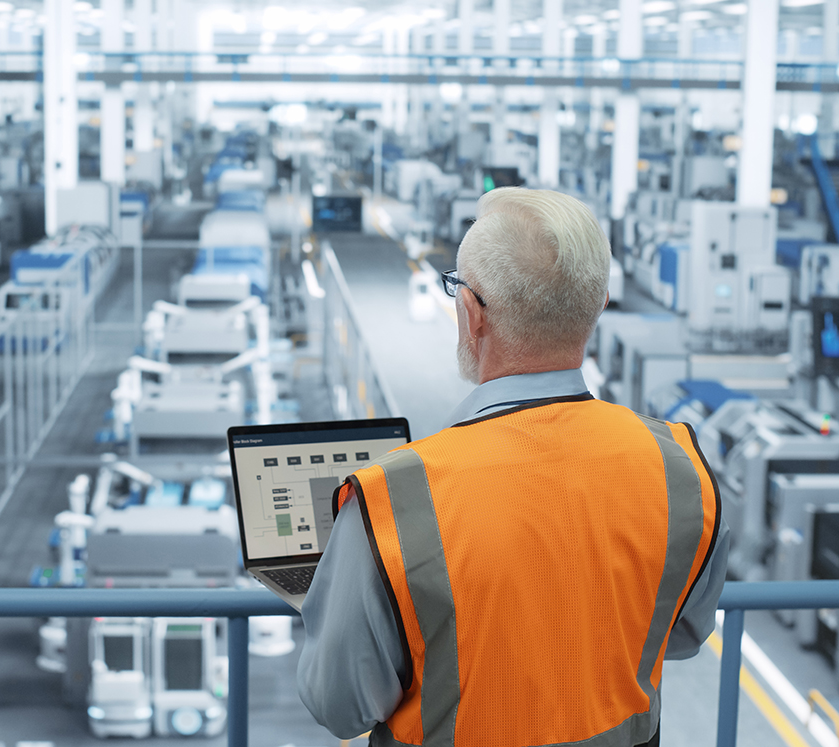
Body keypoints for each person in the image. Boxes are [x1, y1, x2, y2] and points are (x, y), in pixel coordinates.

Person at [297, 187, 728, 747]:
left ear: (472, 315)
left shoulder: (393, 499)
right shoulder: (680, 469)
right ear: (597, 309)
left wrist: (341, 590)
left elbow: (341, 705)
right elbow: (685, 633)